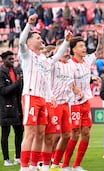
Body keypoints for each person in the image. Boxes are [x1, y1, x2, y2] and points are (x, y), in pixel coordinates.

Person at [18, 14, 70, 171]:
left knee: (40, 133)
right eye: (38, 38)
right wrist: (28, 24)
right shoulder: (27, 55)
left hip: (42, 99)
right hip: (30, 96)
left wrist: (67, 41)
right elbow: (20, 42)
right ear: (30, 42)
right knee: (30, 133)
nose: (41, 40)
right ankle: (24, 167)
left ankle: (35, 165)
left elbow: (57, 56)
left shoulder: (44, 60)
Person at [62, 26, 104, 171]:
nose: (84, 48)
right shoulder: (70, 64)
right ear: (73, 49)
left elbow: (100, 52)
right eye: (80, 46)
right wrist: (76, 89)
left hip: (85, 102)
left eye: (84, 45)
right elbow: (68, 81)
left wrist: (101, 36)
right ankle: (65, 164)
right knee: (74, 133)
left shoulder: (86, 61)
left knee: (86, 134)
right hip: (73, 103)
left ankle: (77, 165)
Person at [50, 38, 77, 170]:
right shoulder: (53, 64)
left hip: (66, 104)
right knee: (53, 135)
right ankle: (45, 160)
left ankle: (55, 162)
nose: (66, 51)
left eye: (67, 48)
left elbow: (72, 82)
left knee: (67, 135)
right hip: (54, 103)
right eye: (64, 48)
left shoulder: (71, 65)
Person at [0, 51, 23, 167]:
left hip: (17, 107)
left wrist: (20, 83)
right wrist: (17, 83)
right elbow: (3, 91)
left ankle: (18, 157)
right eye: (10, 59)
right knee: (5, 134)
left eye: (13, 59)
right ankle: (6, 159)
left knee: (19, 132)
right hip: (5, 108)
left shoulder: (17, 71)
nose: (12, 61)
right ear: (3, 60)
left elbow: (20, 89)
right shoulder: (1, 73)